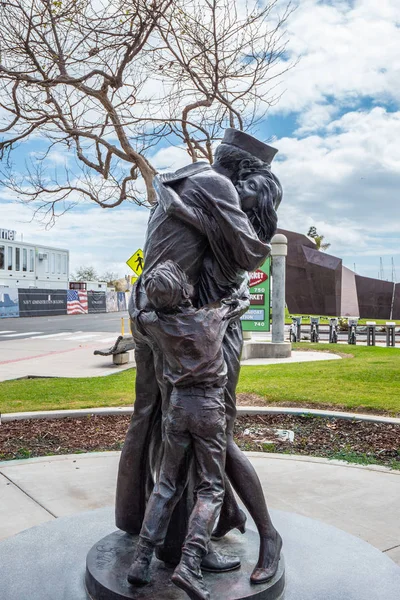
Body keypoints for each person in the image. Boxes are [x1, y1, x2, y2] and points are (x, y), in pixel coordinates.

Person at [116, 128, 282, 583]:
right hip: (181, 331)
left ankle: (181, 539)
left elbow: (239, 267)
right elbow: (253, 253)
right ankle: (190, 543)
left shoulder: (183, 188)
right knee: (193, 439)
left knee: (187, 436)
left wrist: (185, 210)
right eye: (247, 187)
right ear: (241, 172)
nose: (241, 200)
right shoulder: (213, 187)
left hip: (174, 327)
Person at [127, 261, 248, 600]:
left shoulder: (154, 324)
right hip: (209, 410)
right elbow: (240, 301)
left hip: (177, 410)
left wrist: (143, 285)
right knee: (210, 488)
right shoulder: (211, 317)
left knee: (166, 485)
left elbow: (138, 311)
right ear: (187, 291)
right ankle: (190, 563)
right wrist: (240, 284)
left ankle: (140, 561)